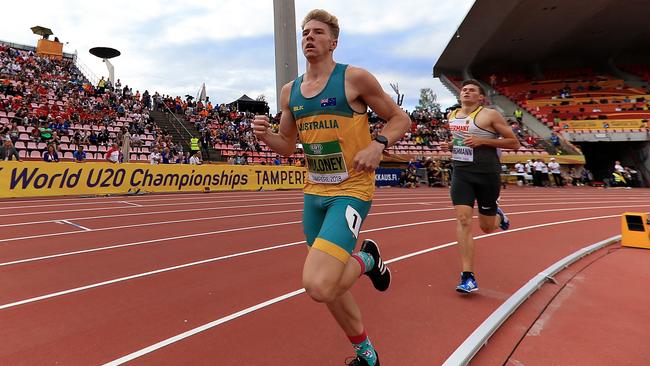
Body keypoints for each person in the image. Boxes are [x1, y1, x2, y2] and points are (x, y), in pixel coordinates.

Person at [251, 9, 410, 366]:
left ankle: (368, 260)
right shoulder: (290, 92)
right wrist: (266, 137)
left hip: (352, 189)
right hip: (315, 193)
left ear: (333, 42)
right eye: (305, 32)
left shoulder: (354, 79)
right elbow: (288, 145)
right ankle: (365, 352)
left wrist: (378, 143)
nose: (308, 37)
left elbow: (401, 118)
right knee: (332, 283)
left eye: (317, 32)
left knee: (320, 284)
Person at [446, 79, 520, 293]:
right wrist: (451, 145)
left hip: (487, 174)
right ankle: (468, 276)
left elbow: (513, 143)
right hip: (461, 172)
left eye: (472, 90)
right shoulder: (451, 116)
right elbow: (461, 141)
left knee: (487, 227)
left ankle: (498, 216)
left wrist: (484, 141)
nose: (466, 92)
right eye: (464, 90)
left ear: (481, 97)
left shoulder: (490, 115)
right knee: (463, 219)